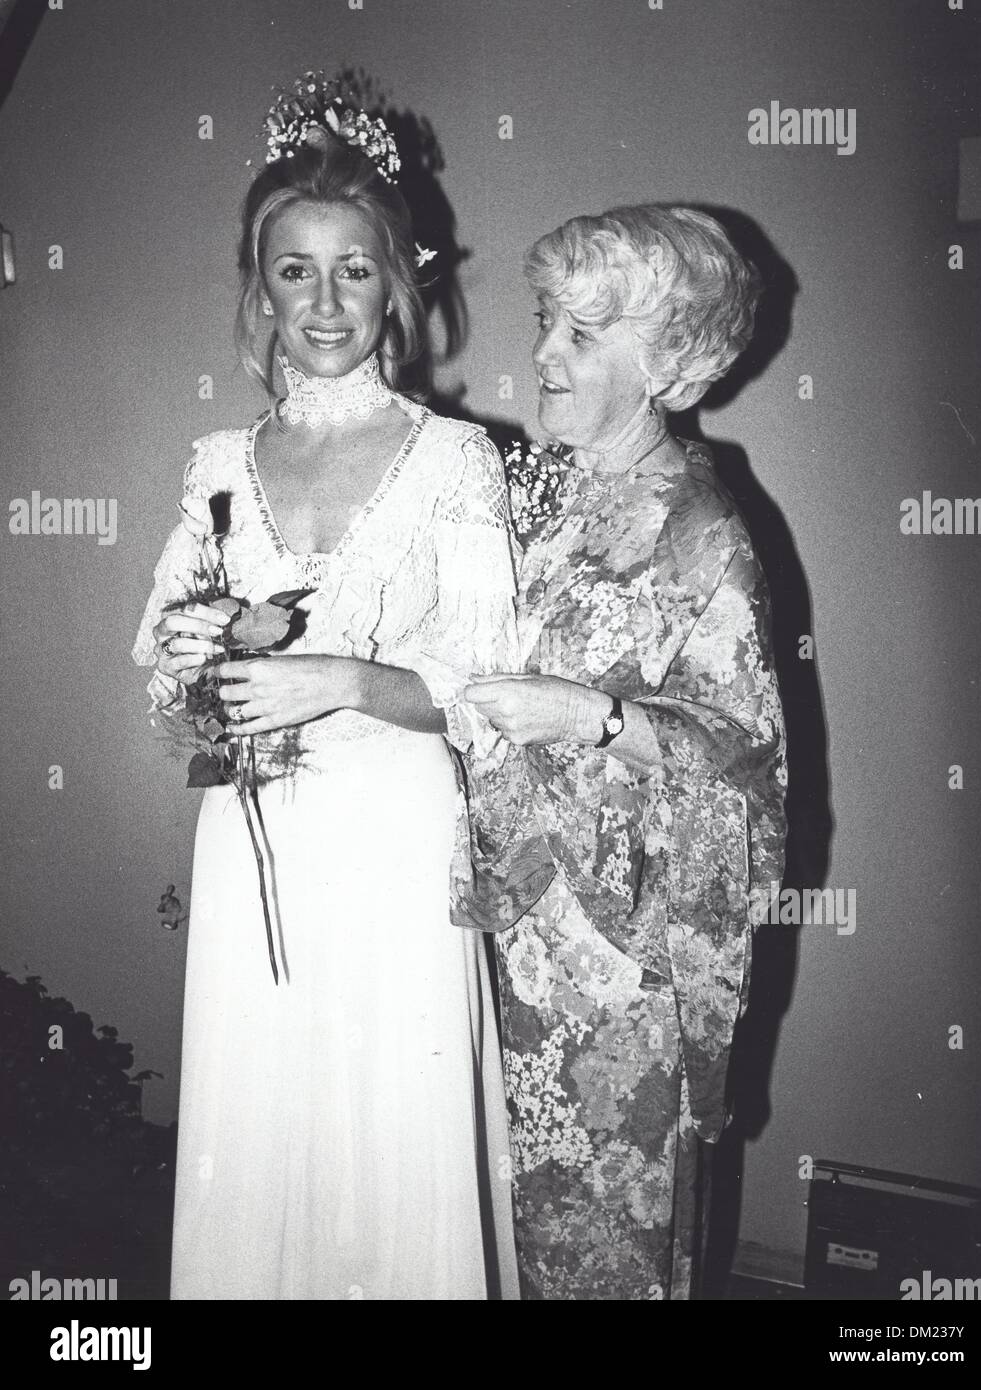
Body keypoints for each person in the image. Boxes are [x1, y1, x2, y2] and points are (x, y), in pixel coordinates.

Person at [132, 75, 519, 1300]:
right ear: (260, 289)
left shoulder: (457, 460)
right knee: (262, 1126)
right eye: (294, 271)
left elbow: (488, 690)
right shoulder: (215, 464)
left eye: (354, 268)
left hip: (397, 838)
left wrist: (339, 677)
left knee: (391, 1141)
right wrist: (204, 672)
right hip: (256, 841)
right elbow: (163, 669)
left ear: (398, 279)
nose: (326, 301)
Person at [460, 204, 787, 1299]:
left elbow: (744, 765)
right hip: (501, 930)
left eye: (580, 334)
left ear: (668, 362)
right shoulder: (544, 491)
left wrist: (590, 719)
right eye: (545, 318)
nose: (541, 352)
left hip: (615, 969)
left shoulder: (701, 529)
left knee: (597, 1252)